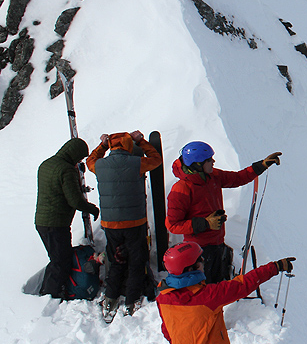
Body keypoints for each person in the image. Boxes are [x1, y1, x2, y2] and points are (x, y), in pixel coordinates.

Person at [157, 242, 295, 344]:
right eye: (200, 260)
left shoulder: (163, 298)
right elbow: (243, 285)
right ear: (190, 269)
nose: (204, 261)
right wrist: (275, 267)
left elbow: (167, 332)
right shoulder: (207, 297)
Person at [166, 141, 281, 283]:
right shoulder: (181, 190)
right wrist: (206, 223)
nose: (213, 161)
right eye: (208, 160)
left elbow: (237, 178)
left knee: (219, 287)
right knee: (207, 291)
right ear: (197, 164)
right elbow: (173, 225)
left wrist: (261, 166)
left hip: (217, 244)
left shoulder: (211, 176)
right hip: (198, 252)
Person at [86, 130, 163, 319]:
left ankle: (110, 298)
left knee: (116, 260)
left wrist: (103, 145)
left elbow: (90, 161)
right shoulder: (137, 163)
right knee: (136, 262)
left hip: (111, 225)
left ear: (112, 147)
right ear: (129, 145)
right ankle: (132, 299)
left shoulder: (100, 165)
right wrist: (142, 141)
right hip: (134, 223)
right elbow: (156, 159)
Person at [35, 137, 100, 299]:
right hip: (56, 223)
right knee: (61, 261)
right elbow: (75, 200)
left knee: (57, 258)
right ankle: (52, 294)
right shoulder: (66, 170)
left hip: (42, 221)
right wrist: (92, 208)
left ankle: (50, 290)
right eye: (79, 157)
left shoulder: (46, 164)